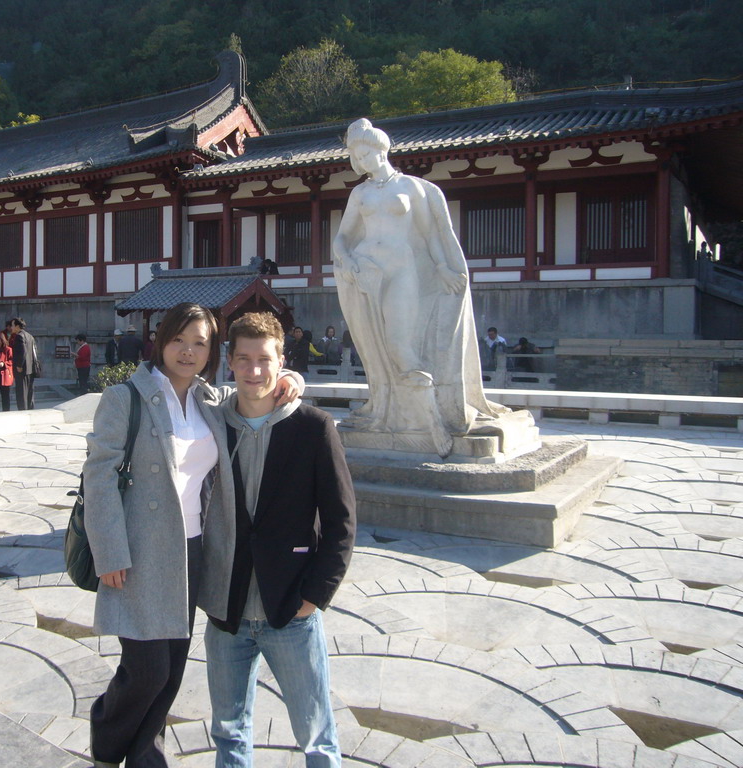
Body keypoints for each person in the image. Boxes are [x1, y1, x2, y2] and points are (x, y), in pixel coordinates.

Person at [82, 303, 303, 768]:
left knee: (173, 670)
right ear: (161, 341)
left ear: (211, 351)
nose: (188, 351)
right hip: (138, 551)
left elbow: (255, 391)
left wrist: (291, 381)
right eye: (179, 340)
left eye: (199, 343)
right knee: (147, 670)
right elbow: (98, 477)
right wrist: (109, 551)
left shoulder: (208, 402)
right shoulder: (126, 397)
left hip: (193, 550)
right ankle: (107, 737)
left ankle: (146, 756)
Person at [200, 312, 355, 768]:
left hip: (289, 608)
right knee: (228, 730)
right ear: (229, 361)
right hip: (225, 609)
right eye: (243, 359)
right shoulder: (212, 423)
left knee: (315, 733)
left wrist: (314, 596)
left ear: (281, 361)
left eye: (264, 359)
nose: (254, 371)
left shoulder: (313, 428)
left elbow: (341, 521)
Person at [332, 118, 503, 456]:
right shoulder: (360, 192)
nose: (361, 163)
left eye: (365, 155)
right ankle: (393, 408)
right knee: (375, 344)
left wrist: (442, 266)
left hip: (402, 269)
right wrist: (347, 261)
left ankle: (431, 418)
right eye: (356, 157)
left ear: (381, 150)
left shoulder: (412, 188)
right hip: (368, 270)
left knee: (400, 343)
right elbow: (342, 236)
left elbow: (430, 234)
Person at [9, 317, 39, 410]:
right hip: (30, 368)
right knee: (30, 392)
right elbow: (34, 352)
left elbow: (22, 351)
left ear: (17, 326)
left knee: (21, 393)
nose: (11, 327)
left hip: (22, 369)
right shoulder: (30, 336)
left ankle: (23, 411)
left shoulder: (19, 336)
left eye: (13, 325)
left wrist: (19, 365)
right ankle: (30, 409)